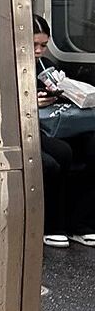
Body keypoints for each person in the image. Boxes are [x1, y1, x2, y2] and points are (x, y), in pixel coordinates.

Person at [34, 14, 95, 248]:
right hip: (34, 128)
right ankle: (53, 225)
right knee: (60, 154)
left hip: (56, 123)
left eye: (43, 46)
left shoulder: (47, 66)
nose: (39, 51)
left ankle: (81, 222)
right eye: (34, 45)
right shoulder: (8, 68)